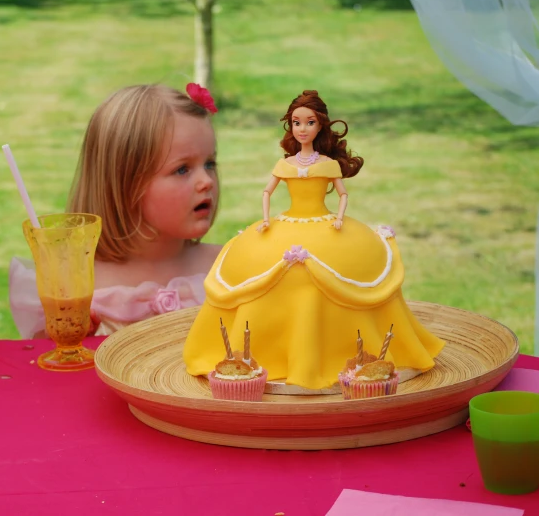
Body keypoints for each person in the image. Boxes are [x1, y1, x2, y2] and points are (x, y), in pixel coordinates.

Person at [183, 90, 445, 391]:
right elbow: (267, 192)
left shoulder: (328, 165)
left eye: (309, 122)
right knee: (256, 262)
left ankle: (362, 360)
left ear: (320, 125)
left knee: (353, 261)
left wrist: (339, 217)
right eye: (296, 122)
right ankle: (249, 361)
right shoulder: (285, 165)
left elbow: (343, 194)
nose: (302, 128)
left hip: (327, 222)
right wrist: (266, 218)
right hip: (286, 222)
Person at [10, 83, 222, 338]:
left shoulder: (226, 268)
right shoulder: (74, 286)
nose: (207, 181)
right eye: (182, 169)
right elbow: (45, 363)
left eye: (209, 163)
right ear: (125, 183)